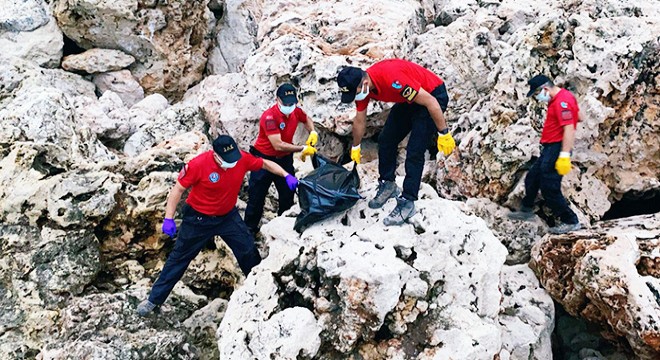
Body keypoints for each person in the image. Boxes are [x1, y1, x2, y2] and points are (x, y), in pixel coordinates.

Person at [137, 135, 299, 316]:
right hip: (198, 220)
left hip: (227, 216)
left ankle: (262, 291)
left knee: (248, 251)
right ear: (215, 155)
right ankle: (154, 300)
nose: (232, 163)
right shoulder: (198, 165)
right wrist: (169, 217)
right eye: (227, 160)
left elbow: (265, 164)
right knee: (179, 259)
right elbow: (178, 189)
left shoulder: (241, 159)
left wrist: (286, 175)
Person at [337, 59, 456, 226]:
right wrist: (356, 146)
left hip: (432, 95)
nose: (355, 98)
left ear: (364, 83)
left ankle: (408, 201)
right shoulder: (362, 88)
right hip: (410, 100)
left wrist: (444, 133)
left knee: (415, 150)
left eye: (354, 93)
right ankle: (388, 184)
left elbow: (430, 102)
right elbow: (359, 121)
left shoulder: (393, 79)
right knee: (386, 139)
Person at [508, 74, 582, 234]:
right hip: (549, 148)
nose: (538, 98)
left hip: (557, 148)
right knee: (532, 177)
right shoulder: (561, 98)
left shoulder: (562, 102)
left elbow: (569, 128)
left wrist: (564, 155)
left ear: (545, 89)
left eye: (537, 94)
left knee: (549, 187)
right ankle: (526, 209)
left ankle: (570, 221)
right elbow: (579, 117)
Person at [244, 83, 318, 235]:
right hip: (264, 160)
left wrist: (313, 132)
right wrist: (302, 149)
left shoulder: (295, 111)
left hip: (284, 160)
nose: (290, 106)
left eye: (292, 102)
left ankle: (283, 225)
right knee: (256, 198)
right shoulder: (269, 117)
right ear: (278, 100)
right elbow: (277, 145)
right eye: (286, 103)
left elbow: (306, 119)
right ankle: (249, 230)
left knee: (287, 194)